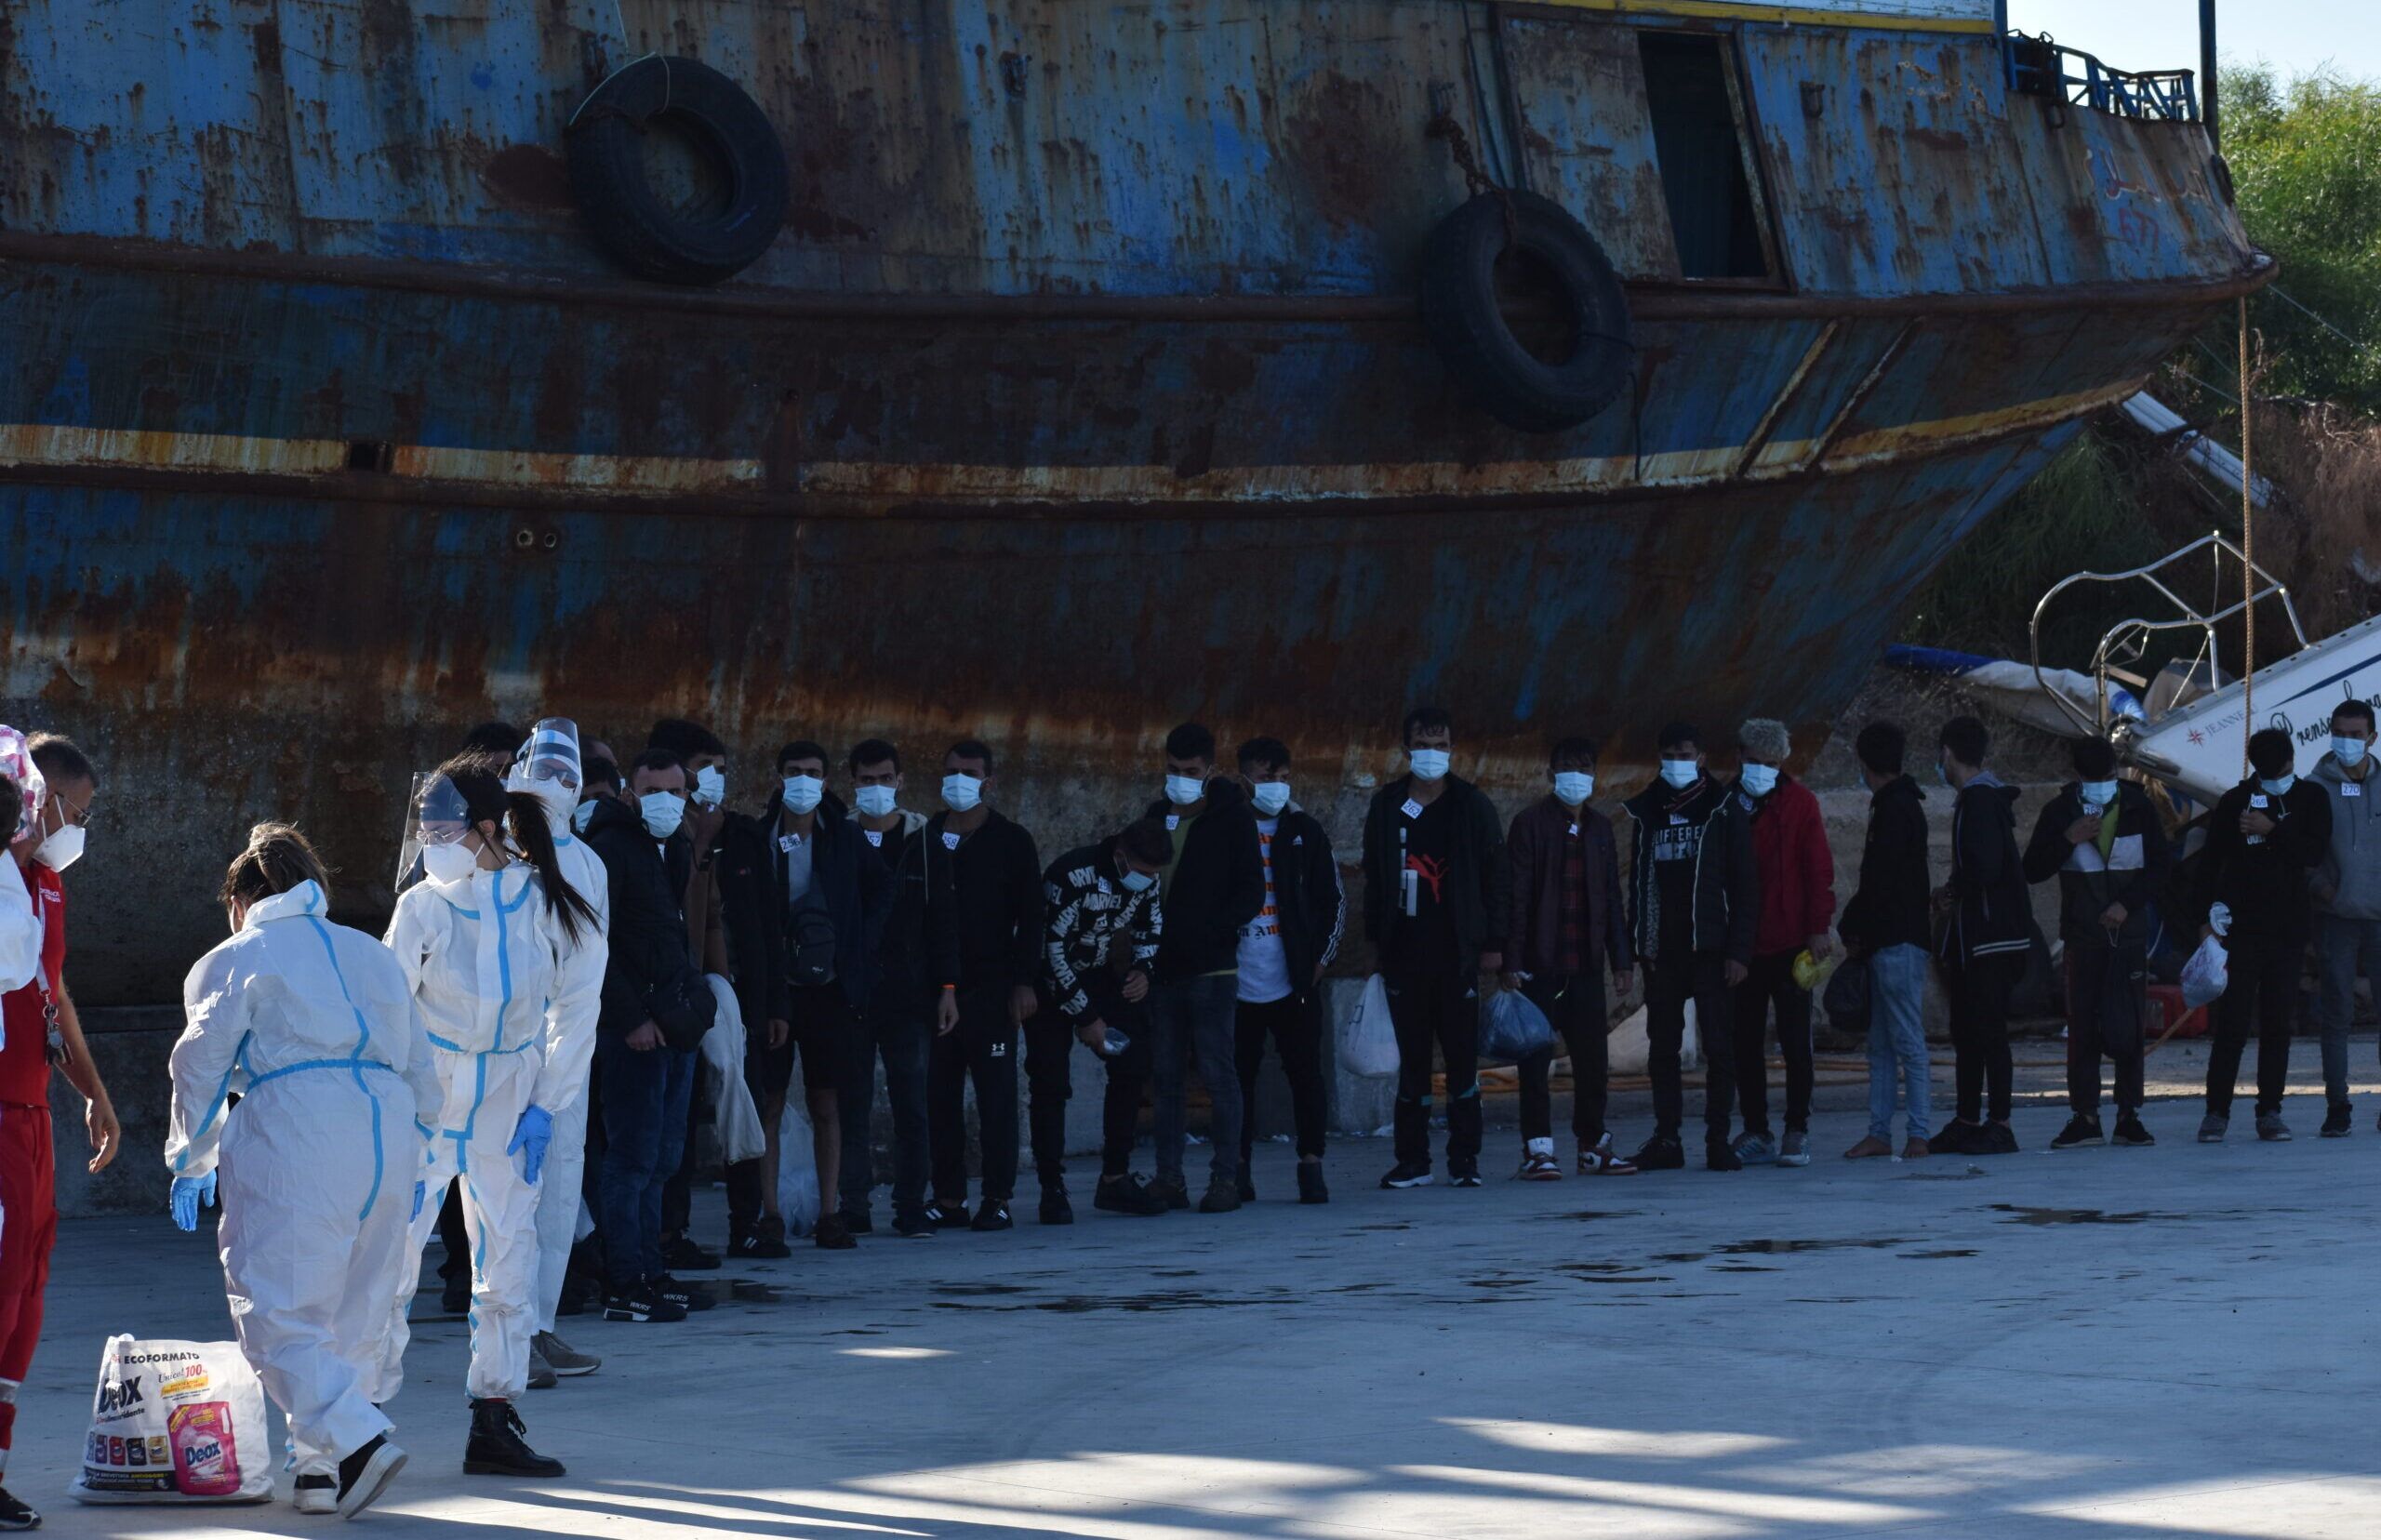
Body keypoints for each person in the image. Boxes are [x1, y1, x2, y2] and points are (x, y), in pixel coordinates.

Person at [166, 825, 438, 1519]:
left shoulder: (238, 956)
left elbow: (198, 1063)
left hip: (298, 1125)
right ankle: (320, 1474)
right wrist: (419, 1147)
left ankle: (357, 1441)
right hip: (387, 1126)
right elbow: (421, 1063)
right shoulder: (370, 955)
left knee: (276, 1307)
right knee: (355, 1306)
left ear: (242, 897)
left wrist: (191, 1156)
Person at [379, 756, 602, 1478]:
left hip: (511, 1089)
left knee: (509, 1256)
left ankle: (495, 1420)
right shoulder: (423, 906)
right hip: (431, 1089)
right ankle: (357, 1423)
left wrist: (547, 1103)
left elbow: (578, 1006)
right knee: (389, 1256)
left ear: (487, 827)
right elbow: (387, 1011)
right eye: (426, 829)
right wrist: (398, 1111)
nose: (433, 843)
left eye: (444, 828)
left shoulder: (546, 901)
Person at [0, 731, 119, 1529]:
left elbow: (54, 995)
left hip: (32, 1112)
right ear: (37, 797)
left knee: (29, 1292)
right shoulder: (5, 879)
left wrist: (95, 1092)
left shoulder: (44, 886)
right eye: (74, 808)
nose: (79, 826)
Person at [646, 722, 794, 1260]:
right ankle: (670, 1230)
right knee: (677, 1120)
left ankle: (748, 1221)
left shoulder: (747, 837)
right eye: (707, 767)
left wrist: (770, 1002)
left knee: (742, 1098)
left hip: (735, 995)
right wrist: (698, 843)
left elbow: (765, 928)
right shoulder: (658, 837)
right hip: (675, 993)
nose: (716, 779)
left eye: (723, 769)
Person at [579, 749, 710, 1317]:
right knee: (630, 1160)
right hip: (633, 1031)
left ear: (689, 795)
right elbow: (593, 945)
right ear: (630, 795)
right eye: (651, 791)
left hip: (673, 1026)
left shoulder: (677, 846)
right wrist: (630, 1018)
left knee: (661, 1159)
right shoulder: (610, 849)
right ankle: (624, 1282)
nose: (663, 802)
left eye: (674, 792)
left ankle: (651, 1272)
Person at [504, 721, 611, 1387]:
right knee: (507, 1203)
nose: (554, 779)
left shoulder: (589, 862)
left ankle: (540, 1325)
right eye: (542, 765)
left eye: (564, 770)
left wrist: (562, 1077)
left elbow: (585, 979)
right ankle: (508, 1339)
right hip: (509, 1049)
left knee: (559, 1192)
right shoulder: (499, 848)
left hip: (564, 1053)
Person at [1363, 707, 1507, 1189]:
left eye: (1441, 744)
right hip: (1405, 954)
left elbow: (1496, 878)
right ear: (1406, 750)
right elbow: (1375, 875)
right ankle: (1412, 1160)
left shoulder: (1471, 805)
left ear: (1452, 748)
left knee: (1463, 1061)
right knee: (1413, 1064)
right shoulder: (1387, 805)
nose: (1433, 753)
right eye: (1423, 744)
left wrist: (1494, 944)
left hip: (1457, 954)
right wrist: (1375, 944)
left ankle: (1464, 1160)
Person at [759, 740, 889, 1251]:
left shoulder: (845, 838)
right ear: (778, 778)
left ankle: (831, 1213)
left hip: (830, 990)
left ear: (827, 781)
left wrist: (855, 944)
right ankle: (768, 1214)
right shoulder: (760, 835)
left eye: (813, 772)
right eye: (794, 771)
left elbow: (884, 889)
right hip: (778, 989)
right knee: (769, 1101)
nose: (803, 781)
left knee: (827, 1102)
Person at [1619, 721, 1757, 1173]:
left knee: (1720, 1047)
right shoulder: (1649, 809)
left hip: (1713, 949)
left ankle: (1718, 1140)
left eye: (1687, 753)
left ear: (1701, 756)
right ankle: (1667, 1138)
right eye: (1670, 754)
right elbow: (1639, 882)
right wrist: (1642, 944)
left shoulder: (1723, 808)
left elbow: (1744, 883)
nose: (1679, 762)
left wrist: (1739, 951)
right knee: (1663, 1048)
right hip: (1665, 951)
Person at [1138, 724, 1263, 1214]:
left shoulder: (1231, 819)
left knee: (1217, 1074)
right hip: (1162, 968)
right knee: (1166, 1077)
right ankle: (1169, 1177)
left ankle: (1225, 1180)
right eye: (1173, 771)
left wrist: (1214, 930)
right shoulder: (1156, 815)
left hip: (1211, 970)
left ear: (1210, 770)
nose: (1180, 780)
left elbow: (1251, 890)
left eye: (1190, 772)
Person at [2024, 737, 2168, 1150]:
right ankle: (2084, 1116)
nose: (2104, 785)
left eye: (2108, 778)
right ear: (2078, 777)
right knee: (2083, 1027)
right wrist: (2066, 839)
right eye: (2095, 779)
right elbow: (2032, 869)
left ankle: (2129, 1115)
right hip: (2083, 937)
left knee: (2129, 1025)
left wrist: (2127, 904)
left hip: (2129, 936)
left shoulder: (2139, 808)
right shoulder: (2059, 812)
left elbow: (2160, 867)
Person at [1501, 737, 1634, 1181]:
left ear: (1595, 775)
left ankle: (1592, 1145)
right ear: (1549, 775)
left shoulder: (1599, 828)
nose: (1575, 776)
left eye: (1584, 767)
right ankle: (1538, 1150)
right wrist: (1511, 961)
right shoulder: (1529, 824)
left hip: (1586, 965)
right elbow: (1516, 896)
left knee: (1593, 1061)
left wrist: (1621, 959)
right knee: (1535, 1061)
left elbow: (1612, 898)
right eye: (1566, 767)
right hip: (1540, 964)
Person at [924, 741, 1044, 1225]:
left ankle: (998, 1198)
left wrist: (1025, 982)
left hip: (993, 989)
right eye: (951, 770)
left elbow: (1032, 916)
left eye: (969, 772)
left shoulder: (1012, 840)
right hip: (935, 991)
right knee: (939, 1099)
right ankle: (949, 1199)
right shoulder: (926, 835)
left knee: (996, 1098)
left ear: (988, 781)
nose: (959, 780)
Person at [841, 738, 956, 1238]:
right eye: (866, 781)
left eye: (885, 779)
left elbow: (945, 920)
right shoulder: (837, 837)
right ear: (853, 783)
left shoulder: (924, 840)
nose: (876, 789)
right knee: (853, 1105)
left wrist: (948, 987)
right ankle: (853, 1205)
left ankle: (911, 1205)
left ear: (901, 781)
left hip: (909, 995)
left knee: (913, 1103)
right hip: (851, 995)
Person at [2195, 727, 2331, 1143]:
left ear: (2292, 760)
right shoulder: (2235, 800)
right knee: (2232, 1023)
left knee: (2277, 1023)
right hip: (2240, 929)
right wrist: (2207, 915)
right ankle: (2216, 1111)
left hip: (2287, 930)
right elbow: (2210, 861)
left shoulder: (2311, 798)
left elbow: (2313, 853)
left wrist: (2273, 829)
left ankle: (2270, 1110)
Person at [1230, 737, 1344, 1203]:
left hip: (1294, 980)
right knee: (1237, 1078)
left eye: (1281, 778)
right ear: (1243, 780)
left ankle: (1311, 1164)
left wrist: (1319, 963)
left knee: (1305, 1074)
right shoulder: (1225, 830)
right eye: (1264, 778)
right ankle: (1235, 1168)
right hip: (1236, 983)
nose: (1275, 787)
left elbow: (1333, 900)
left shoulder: (1305, 831)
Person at [1043, 817, 1172, 1215]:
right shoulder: (1070, 874)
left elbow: (1150, 927)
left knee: (1133, 1059)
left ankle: (1115, 1178)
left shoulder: (1147, 880)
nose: (1148, 881)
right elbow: (1051, 951)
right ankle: (1052, 1189)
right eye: (1143, 871)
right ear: (1120, 856)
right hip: (1048, 980)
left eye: (1154, 874)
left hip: (1098, 973)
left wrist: (1142, 971)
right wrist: (1086, 1018)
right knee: (1050, 1082)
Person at [1728, 719, 1834, 1169]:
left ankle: (1796, 1129)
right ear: (1740, 757)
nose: (1761, 771)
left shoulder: (1801, 804)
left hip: (1792, 942)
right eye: (1753, 762)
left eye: (1770, 764)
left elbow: (1817, 868)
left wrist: (1819, 926)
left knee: (1795, 1042)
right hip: (1744, 946)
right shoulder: (1724, 805)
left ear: (1782, 762)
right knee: (1745, 1042)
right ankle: (1756, 1129)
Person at [1929, 716, 2033, 1156]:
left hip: (1991, 939)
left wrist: (1951, 892)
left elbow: (1984, 867)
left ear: (1948, 753)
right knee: (1968, 1030)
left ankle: (2000, 1123)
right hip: (1979, 939)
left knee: (1989, 1032)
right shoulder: (1978, 800)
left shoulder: (1979, 801)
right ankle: (1968, 1118)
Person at [1837, 723, 1935, 1161]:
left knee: (1906, 1041)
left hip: (1896, 941)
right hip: (1890, 941)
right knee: (1882, 1044)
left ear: (1865, 763)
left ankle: (1918, 1132)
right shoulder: (1901, 804)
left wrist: (1854, 926)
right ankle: (1882, 1132)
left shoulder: (1894, 809)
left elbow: (1881, 881)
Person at [2309, 699, 2381, 1137]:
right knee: (2336, 1014)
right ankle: (2338, 1105)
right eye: (2340, 733)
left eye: (2356, 735)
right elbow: (2303, 850)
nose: (2347, 742)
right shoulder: (2314, 788)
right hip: (2335, 917)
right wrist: (2321, 887)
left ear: (2371, 738)